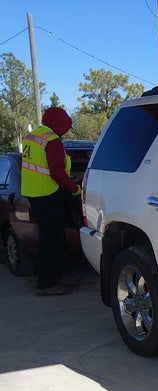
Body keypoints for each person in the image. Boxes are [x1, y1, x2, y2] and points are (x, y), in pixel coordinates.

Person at [21, 107, 82, 296]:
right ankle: (47, 284)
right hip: (48, 194)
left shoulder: (33, 136)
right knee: (53, 240)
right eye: (66, 126)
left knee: (47, 238)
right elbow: (56, 173)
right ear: (59, 124)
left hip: (34, 193)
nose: (67, 130)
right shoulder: (52, 141)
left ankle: (50, 276)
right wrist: (75, 189)